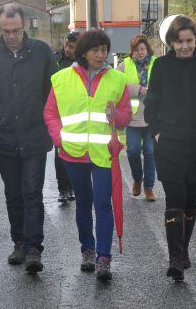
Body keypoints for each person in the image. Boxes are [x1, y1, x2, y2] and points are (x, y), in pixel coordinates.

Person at [0, 4, 57, 274]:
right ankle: (19, 242)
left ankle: (34, 249)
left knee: (32, 192)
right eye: (6, 31)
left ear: (25, 26)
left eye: (16, 31)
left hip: (35, 136)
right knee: (14, 194)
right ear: (0, 28)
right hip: (5, 138)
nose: (11, 36)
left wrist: (51, 127)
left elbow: (55, 93)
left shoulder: (42, 52)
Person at [43, 29, 132, 281]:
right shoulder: (61, 79)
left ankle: (104, 257)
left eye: (104, 49)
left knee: (103, 204)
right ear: (83, 52)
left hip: (104, 154)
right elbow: (50, 113)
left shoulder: (117, 79)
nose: (101, 54)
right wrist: (59, 138)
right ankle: (87, 250)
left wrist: (116, 115)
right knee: (83, 203)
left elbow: (125, 116)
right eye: (96, 50)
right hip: (73, 153)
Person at [144, 16, 196, 282]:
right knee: (174, 197)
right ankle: (175, 258)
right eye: (179, 41)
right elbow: (152, 100)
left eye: (189, 41)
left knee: (191, 199)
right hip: (169, 142)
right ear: (171, 42)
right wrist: (156, 129)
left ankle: (184, 248)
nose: (184, 46)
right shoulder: (162, 66)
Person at [117, 35, 157, 201]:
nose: (140, 52)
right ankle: (137, 179)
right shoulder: (123, 65)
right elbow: (117, 85)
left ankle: (148, 187)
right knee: (133, 151)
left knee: (150, 152)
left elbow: (166, 83)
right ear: (131, 52)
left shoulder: (157, 63)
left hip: (153, 116)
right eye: (136, 50)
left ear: (147, 49)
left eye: (142, 49)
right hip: (132, 117)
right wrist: (138, 89)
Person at [53, 32, 79, 203]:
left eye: (72, 47)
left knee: (74, 151)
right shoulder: (54, 59)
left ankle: (72, 187)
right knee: (60, 150)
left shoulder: (81, 64)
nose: (67, 49)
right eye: (67, 45)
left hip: (76, 112)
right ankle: (63, 188)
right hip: (57, 111)